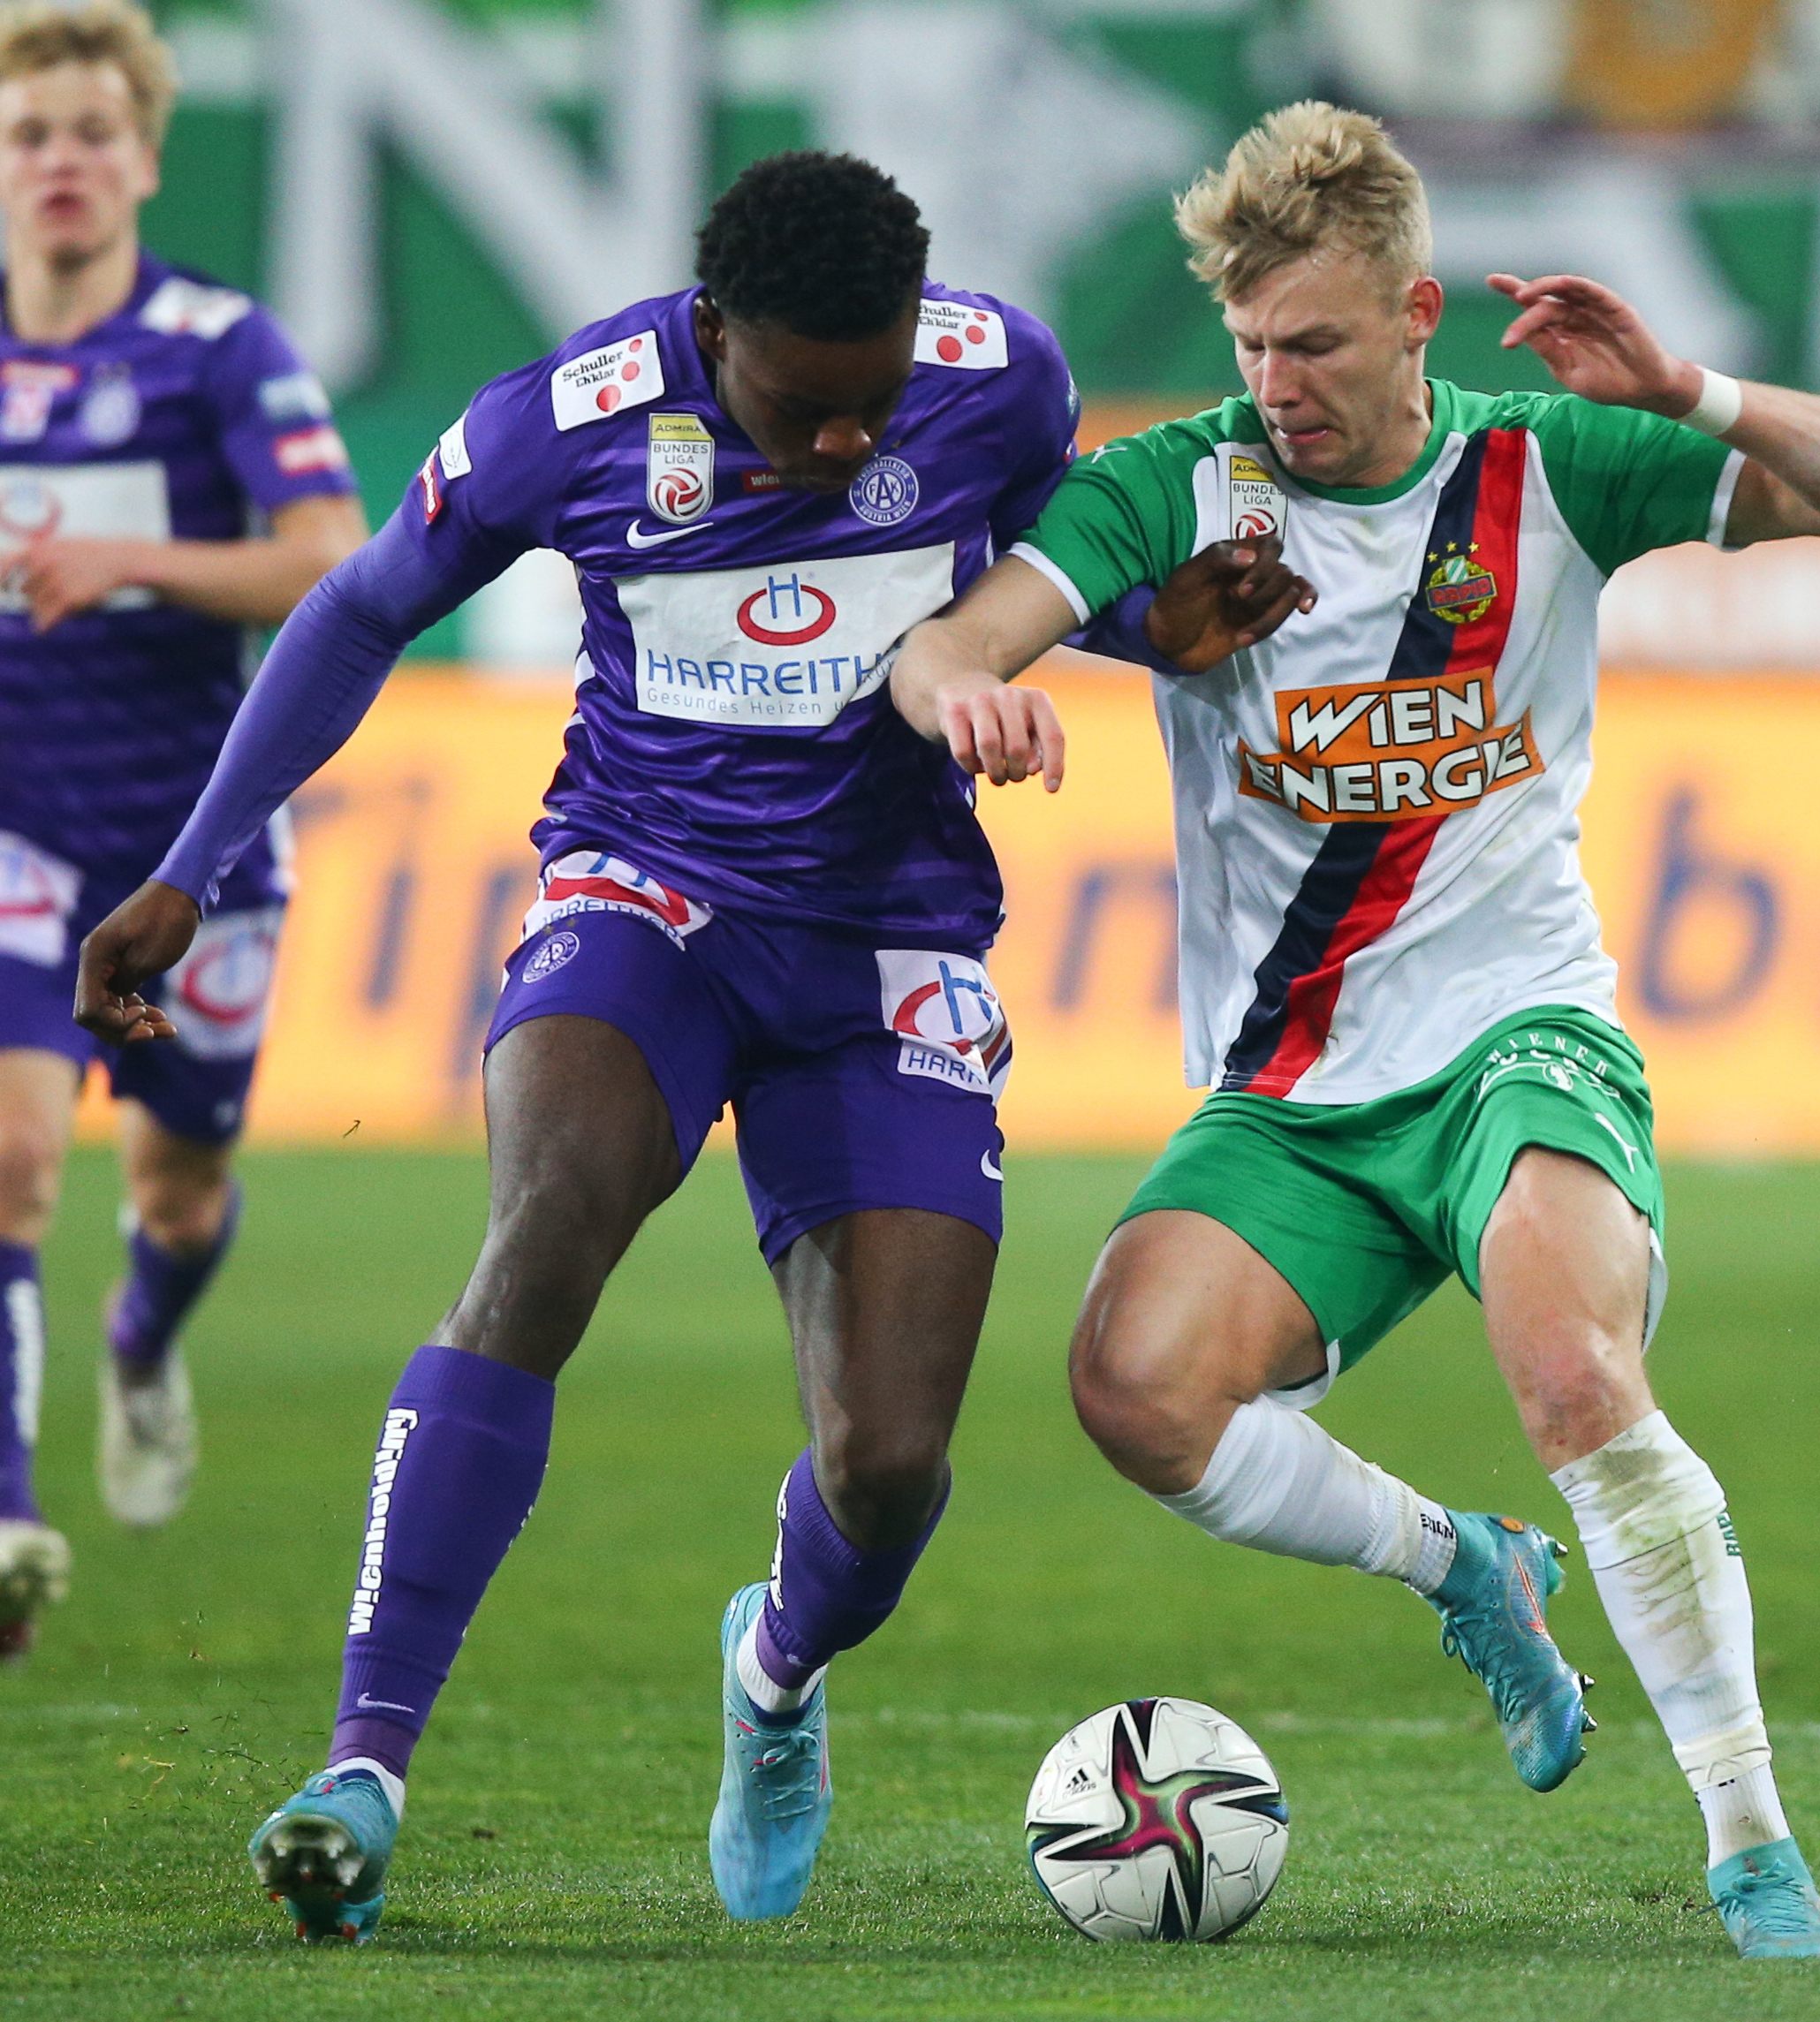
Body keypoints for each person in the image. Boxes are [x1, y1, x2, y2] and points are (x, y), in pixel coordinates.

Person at [73, 148, 1294, 1942]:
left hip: (889, 940)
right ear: (711, 329)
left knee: (886, 1461)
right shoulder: (562, 422)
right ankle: (363, 1763)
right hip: (640, 894)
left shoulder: (998, 377)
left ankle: (778, 1667)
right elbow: (353, 610)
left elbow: (1053, 577)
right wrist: (191, 867)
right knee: (544, 1227)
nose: (837, 446)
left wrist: (1156, 632)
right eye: (804, 410)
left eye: (869, 405)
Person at [889, 102, 1820, 1962]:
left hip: (1514, 1038)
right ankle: (1469, 1567)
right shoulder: (1172, 488)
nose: (1277, 383)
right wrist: (974, 691)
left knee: (1572, 1379)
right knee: (1134, 1385)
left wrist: (1687, 385)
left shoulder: (1551, 462)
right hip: (1290, 1097)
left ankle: (1751, 1845)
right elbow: (951, 643)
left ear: (1413, 314)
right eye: (1251, 348)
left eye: (1316, 342)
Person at [0, 0, 364, 1655]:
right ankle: (11, 1516)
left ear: (144, 156)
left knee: (179, 1183)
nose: (59, 161)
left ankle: (140, 1347)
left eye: (88, 131)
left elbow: (332, 555)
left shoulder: (219, 347)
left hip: (187, 843)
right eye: (28, 134)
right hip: (19, 818)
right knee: (15, 1163)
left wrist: (130, 561)